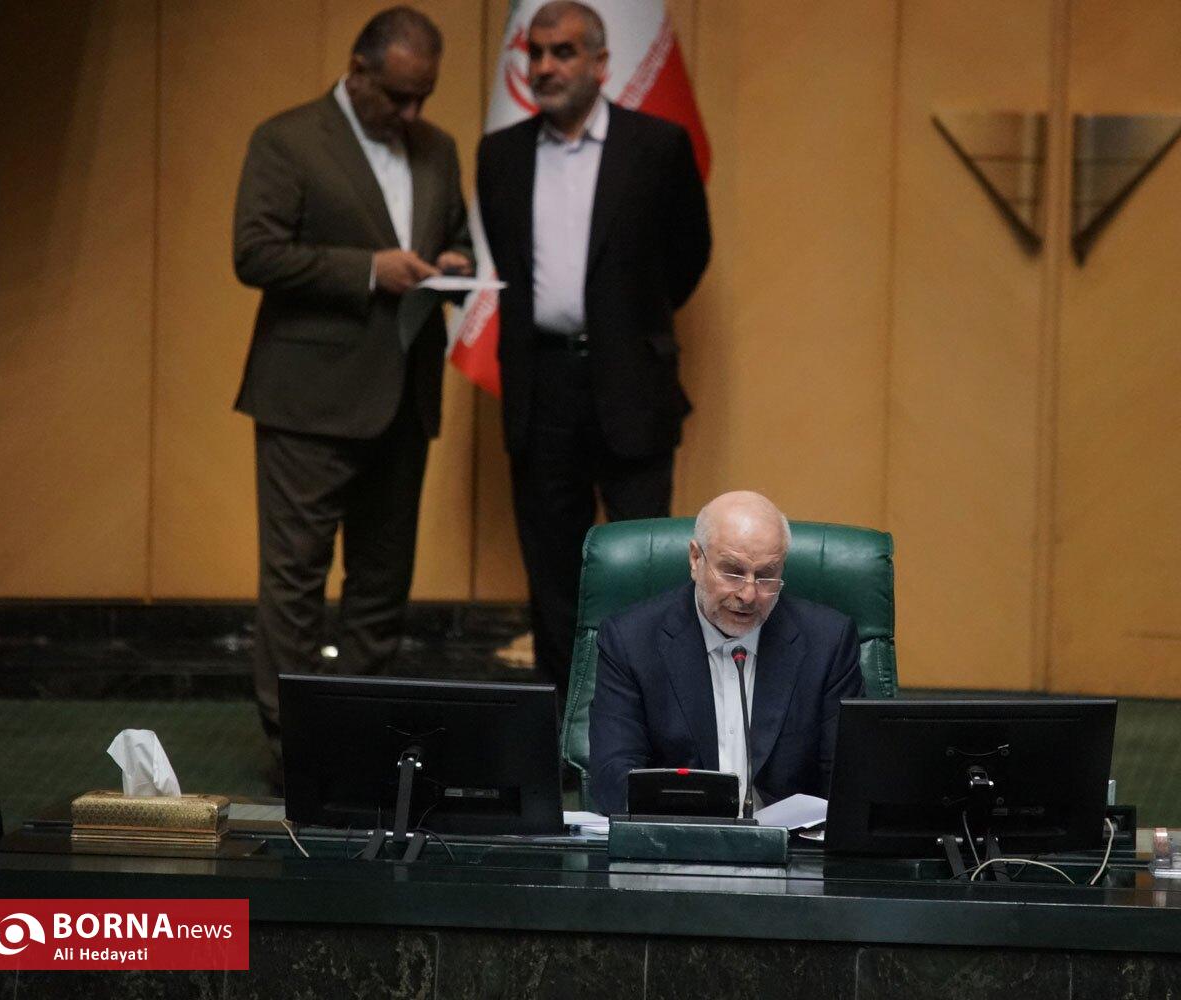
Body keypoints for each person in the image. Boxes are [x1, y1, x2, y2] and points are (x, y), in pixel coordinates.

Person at [232, 6, 473, 768]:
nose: (413, 112)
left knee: (382, 583)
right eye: (399, 95)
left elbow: (456, 234)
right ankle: (295, 746)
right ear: (357, 71)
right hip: (308, 400)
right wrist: (369, 270)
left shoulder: (438, 148)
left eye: (424, 95)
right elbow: (255, 252)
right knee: (296, 581)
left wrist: (457, 263)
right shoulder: (288, 139)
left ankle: (363, 739)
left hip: (405, 396)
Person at [475, 0, 712, 697]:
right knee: (552, 570)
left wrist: (622, 324)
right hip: (541, 384)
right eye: (536, 53)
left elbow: (688, 256)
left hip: (631, 381)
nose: (545, 67)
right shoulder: (500, 155)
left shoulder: (658, 147)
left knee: (644, 566)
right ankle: (560, 723)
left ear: (602, 63)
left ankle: (641, 718)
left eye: (564, 52)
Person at [589, 491, 864, 815]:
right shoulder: (631, 641)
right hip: (674, 838)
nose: (748, 594)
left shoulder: (828, 643)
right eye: (733, 571)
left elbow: (849, 783)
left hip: (790, 842)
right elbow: (613, 777)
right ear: (696, 560)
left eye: (766, 575)